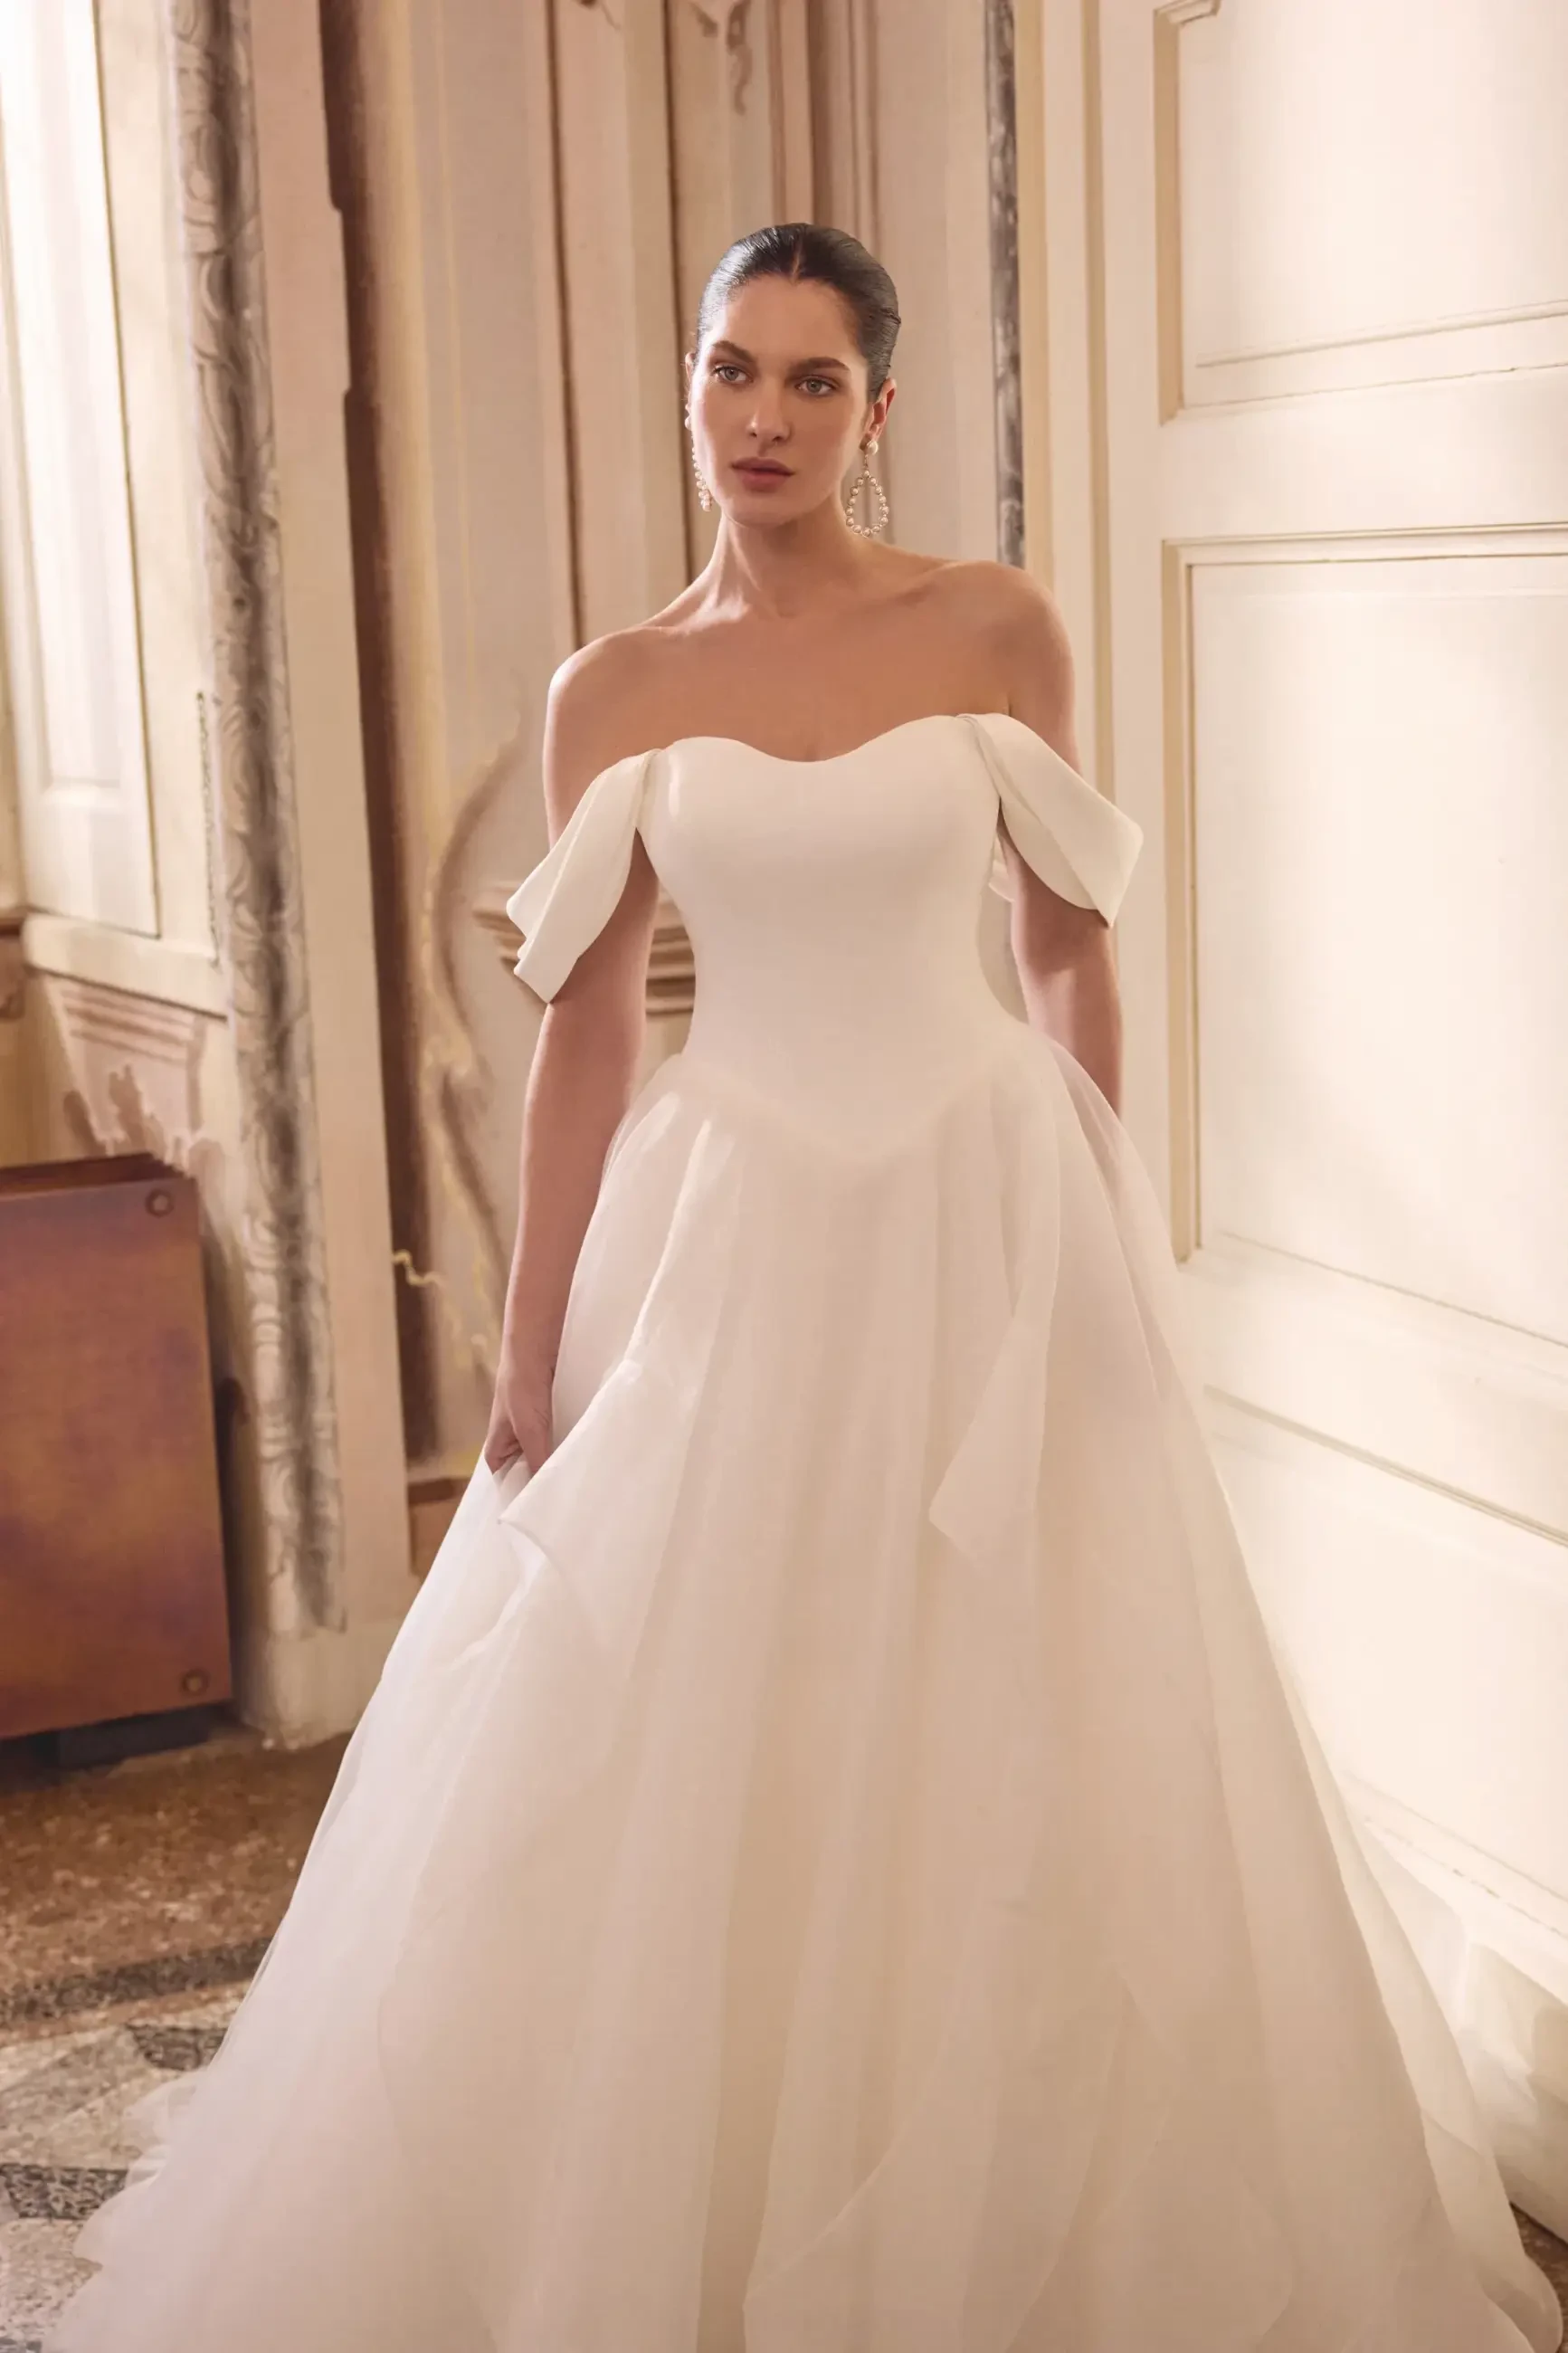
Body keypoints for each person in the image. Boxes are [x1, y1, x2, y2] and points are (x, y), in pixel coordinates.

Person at [46, 224, 1562, 2353]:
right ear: (689, 386)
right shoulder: (618, 691)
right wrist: (526, 1338)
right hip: (736, 1222)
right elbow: (587, 1031)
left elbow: (1061, 950)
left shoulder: (992, 628)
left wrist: (1099, 1222)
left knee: (1037, 1699)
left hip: (976, 1204)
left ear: (878, 411)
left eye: (810, 383)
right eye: (730, 373)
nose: (762, 420)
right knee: (697, 1719)